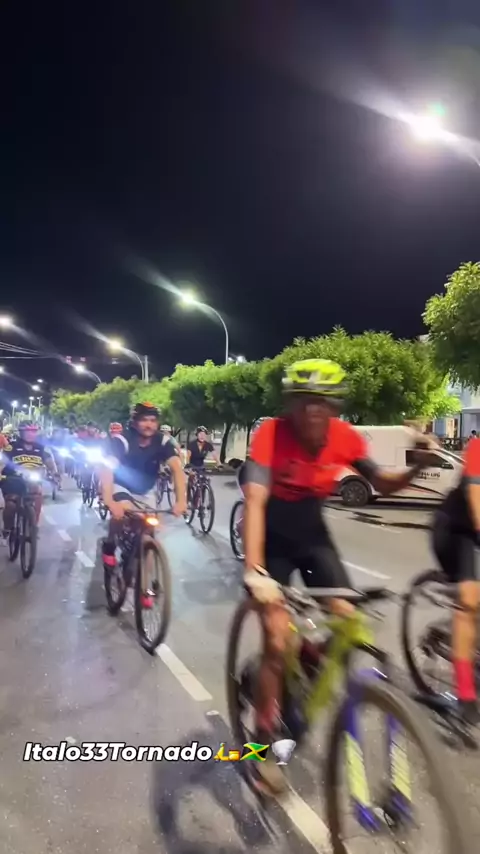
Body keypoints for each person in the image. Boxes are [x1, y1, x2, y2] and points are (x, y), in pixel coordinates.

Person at [242, 358, 431, 794]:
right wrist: (255, 571)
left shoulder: (345, 437)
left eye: (323, 402)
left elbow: (383, 483)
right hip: (270, 538)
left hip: (314, 536)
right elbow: (254, 501)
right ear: (290, 404)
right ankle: (261, 741)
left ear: (335, 406)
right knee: (275, 638)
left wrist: (417, 466)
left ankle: (306, 661)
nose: (313, 409)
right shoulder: (271, 433)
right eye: (304, 401)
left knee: (348, 620)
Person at [99, 402, 186, 607]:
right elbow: (107, 469)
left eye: (153, 420)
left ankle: (144, 587)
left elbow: (177, 469)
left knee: (149, 533)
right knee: (122, 512)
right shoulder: (122, 440)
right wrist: (109, 500)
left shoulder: (163, 441)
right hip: (122, 486)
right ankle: (110, 545)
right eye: (144, 420)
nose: (149, 424)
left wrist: (181, 501)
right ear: (135, 422)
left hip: (146, 490)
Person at [432, 436, 480, 724]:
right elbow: (475, 496)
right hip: (455, 530)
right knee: (468, 601)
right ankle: (464, 695)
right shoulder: (477, 448)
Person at [0, 422, 58, 536]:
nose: (31, 434)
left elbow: (50, 463)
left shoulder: (41, 448)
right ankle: (7, 529)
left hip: (32, 480)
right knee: (11, 504)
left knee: (37, 495)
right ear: (21, 433)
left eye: (33, 431)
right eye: (28, 432)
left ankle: (34, 525)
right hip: (13, 480)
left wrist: (55, 474)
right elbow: (2, 462)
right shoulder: (10, 447)